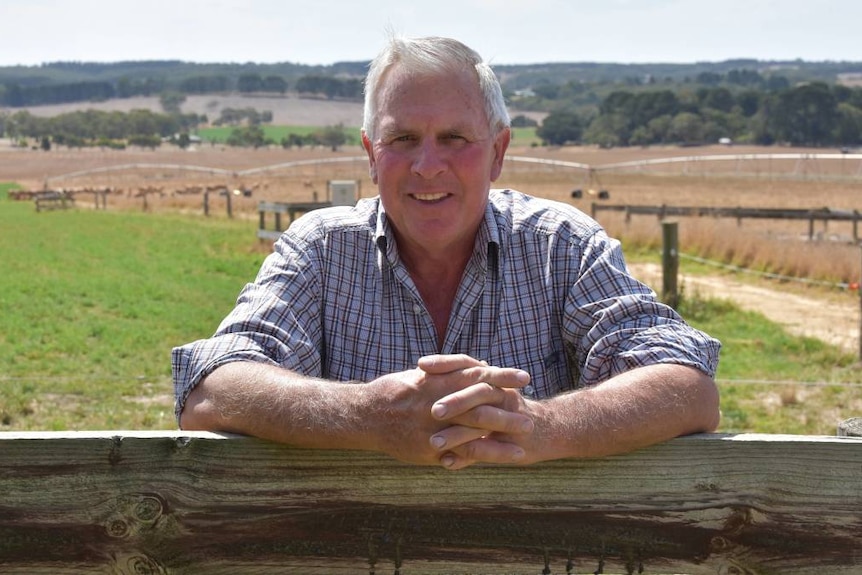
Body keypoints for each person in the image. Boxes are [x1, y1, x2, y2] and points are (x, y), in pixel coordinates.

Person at [172, 35, 721, 470]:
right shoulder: (321, 248)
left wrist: (540, 426)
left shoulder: (563, 245)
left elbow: (687, 385)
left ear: (499, 151)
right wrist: (370, 416)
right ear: (370, 154)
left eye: (455, 138)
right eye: (403, 139)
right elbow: (213, 386)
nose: (428, 165)